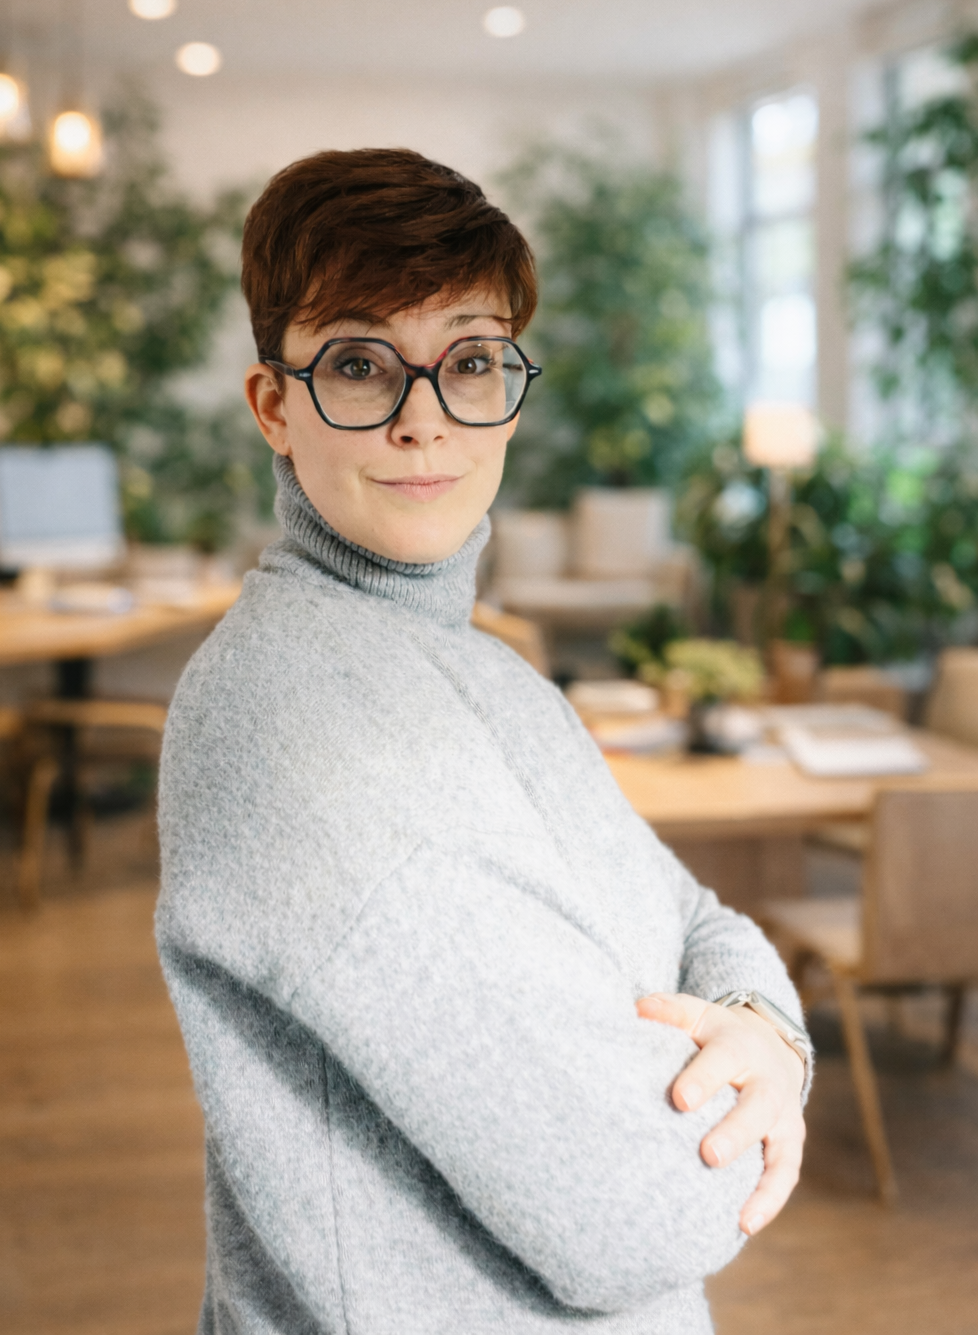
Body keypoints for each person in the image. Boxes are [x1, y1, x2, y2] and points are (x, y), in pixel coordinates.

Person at [156, 148, 809, 1335]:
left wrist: (767, 1036)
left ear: (510, 387)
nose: (423, 422)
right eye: (359, 364)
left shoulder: (493, 672)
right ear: (273, 408)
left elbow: (700, 916)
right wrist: (754, 1086)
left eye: (467, 361)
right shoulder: (297, 725)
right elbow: (640, 1208)